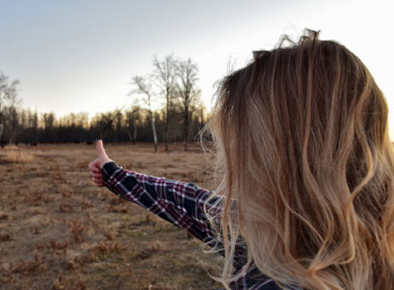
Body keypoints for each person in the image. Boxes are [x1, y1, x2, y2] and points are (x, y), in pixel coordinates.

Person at [88, 30, 393, 290]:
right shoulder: (270, 231)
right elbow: (193, 204)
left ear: (288, 162)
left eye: (247, 144)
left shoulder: (275, 269)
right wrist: (114, 174)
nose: (233, 155)